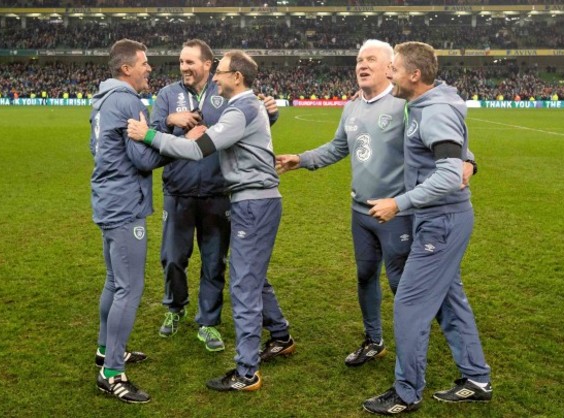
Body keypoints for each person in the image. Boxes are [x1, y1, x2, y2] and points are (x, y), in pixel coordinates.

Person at [127, 50, 294, 392]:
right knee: (247, 273)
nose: (217, 77)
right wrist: (169, 122)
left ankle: (246, 372)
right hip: (228, 197)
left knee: (242, 283)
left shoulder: (240, 107)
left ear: (236, 77)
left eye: (221, 71)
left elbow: (199, 148)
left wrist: (149, 136)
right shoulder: (240, 105)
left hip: (246, 200)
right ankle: (280, 334)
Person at [363, 41, 491, 415]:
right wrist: (469, 158)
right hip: (438, 219)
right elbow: (455, 153)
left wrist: (398, 203)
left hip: (442, 221)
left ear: (414, 75)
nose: (389, 74)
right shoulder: (426, 102)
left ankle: (406, 392)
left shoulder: (433, 110)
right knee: (451, 303)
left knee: (410, 305)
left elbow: (450, 176)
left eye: (395, 69)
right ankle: (476, 378)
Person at [275, 40, 412, 367]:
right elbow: (338, 147)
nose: (362, 65)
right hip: (360, 212)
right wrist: (301, 158)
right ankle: (373, 339)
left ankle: (411, 346)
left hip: (395, 213)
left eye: (371, 59)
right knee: (365, 275)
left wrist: (467, 158)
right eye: (359, 59)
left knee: (400, 283)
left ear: (390, 68)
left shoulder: (405, 104)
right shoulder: (351, 107)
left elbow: (442, 136)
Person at [151, 39, 279, 352]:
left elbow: (245, 127)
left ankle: (208, 323)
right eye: (181, 62)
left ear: (208, 65)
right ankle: (175, 307)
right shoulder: (167, 95)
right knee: (172, 259)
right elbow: (151, 131)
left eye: (190, 62)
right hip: (178, 190)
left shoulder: (226, 95)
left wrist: (270, 114)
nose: (184, 68)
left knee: (214, 262)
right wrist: (170, 121)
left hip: (217, 192)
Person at [89, 38, 172, 404]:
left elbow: (98, 149)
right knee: (130, 287)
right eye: (144, 63)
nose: (149, 68)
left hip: (108, 201)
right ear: (126, 68)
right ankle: (112, 374)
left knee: (114, 282)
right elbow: (142, 160)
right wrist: (179, 144)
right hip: (125, 206)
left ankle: (106, 351)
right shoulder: (127, 101)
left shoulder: (102, 99)